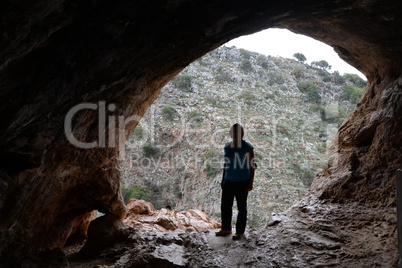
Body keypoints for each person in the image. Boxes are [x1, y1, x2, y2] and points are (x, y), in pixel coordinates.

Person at [215, 123, 255, 240]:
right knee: (225, 206)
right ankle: (226, 229)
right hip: (229, 180)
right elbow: (226, 163)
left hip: (243, 181)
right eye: (234, 132)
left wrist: (251, 182)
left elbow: (252, 165)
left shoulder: (247, 147)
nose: (235, 134)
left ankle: (240, 232)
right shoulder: (227, 146)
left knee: (241, 207)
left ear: (242, 134)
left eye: (238, 132)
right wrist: (223, 179)